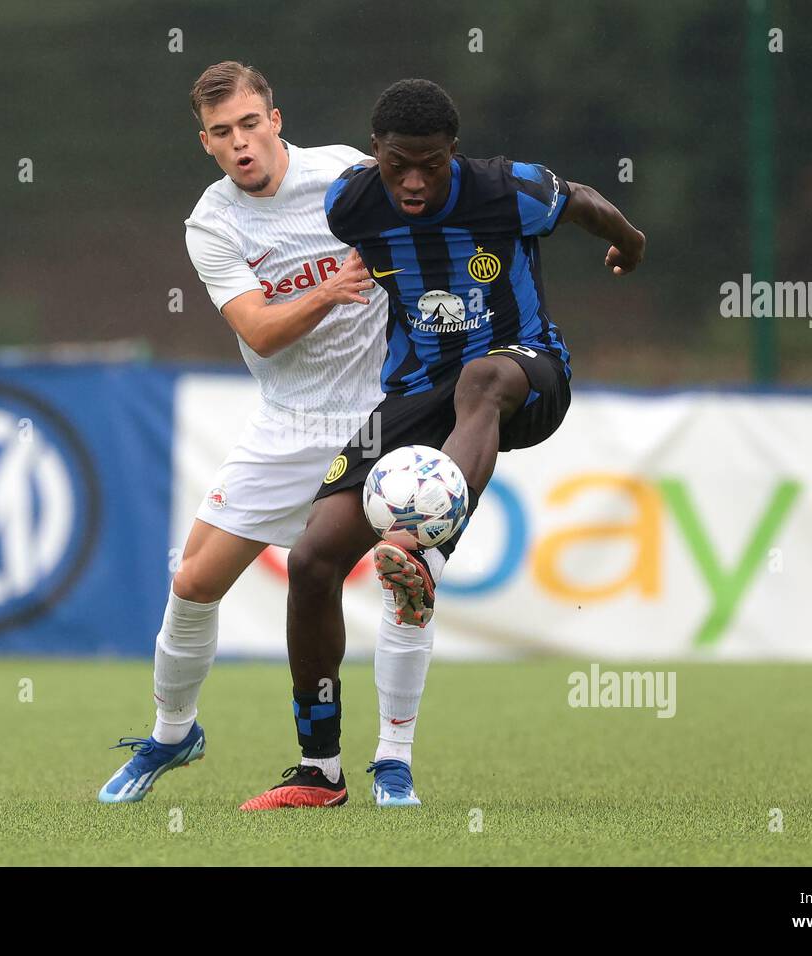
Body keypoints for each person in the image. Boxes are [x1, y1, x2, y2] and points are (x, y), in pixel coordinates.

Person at [239, 78, 646, 808]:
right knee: (310, 559)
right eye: (400, 164)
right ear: (376, 155)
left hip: (525, 374)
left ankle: (423, 554)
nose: (416, 179)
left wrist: (631, 242)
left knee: (479, 384)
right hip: (412, 397)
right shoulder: (351, 204)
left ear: (454, 154)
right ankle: (320, 770)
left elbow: (582, 198)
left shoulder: (506, 190)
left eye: (431, 162)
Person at [99, 63, 441, 810]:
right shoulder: (212, 222)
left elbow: (429, 230)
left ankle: (393, 762)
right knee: (192, 581)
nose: (241, 143)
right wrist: (329, 288)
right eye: (223, 133)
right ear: (207, 144)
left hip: (382, 416)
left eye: (250, 124)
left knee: (406, 574)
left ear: (276, 120)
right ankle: (172, 732)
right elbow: (259, 329)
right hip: (287, 422)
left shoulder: (348, 175)